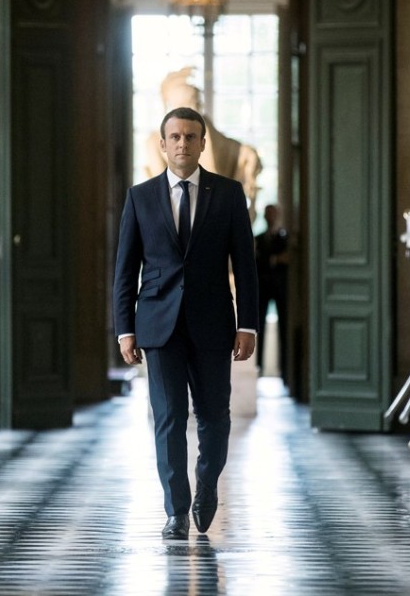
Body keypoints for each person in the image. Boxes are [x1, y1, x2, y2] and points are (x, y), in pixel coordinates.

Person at [113, 106, 258, 540]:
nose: (182, 144)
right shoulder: (139, 197)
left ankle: (207, 486)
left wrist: (247, 324)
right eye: (174, 137)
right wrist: (124, 329)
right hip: (158, 326)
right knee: (169, 418)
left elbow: (245, 266)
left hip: (214, 324)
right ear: (162, 144)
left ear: (202, 143)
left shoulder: (229, 194)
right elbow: (125, 269)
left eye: (190, 137)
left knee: (215, 416)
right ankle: (176, 509)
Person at [254, 204, 288, 380]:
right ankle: (258, 366)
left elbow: (286, 259)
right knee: (259, 328)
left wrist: (271, 259)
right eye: (268, 215)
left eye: (273, 214)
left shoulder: (284, 238)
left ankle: (285, 369)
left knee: (284, 328)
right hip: (263, 288)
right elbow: (258, 262)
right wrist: (275, 259)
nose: (271, 218)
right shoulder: (259, 239)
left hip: (280, 289)